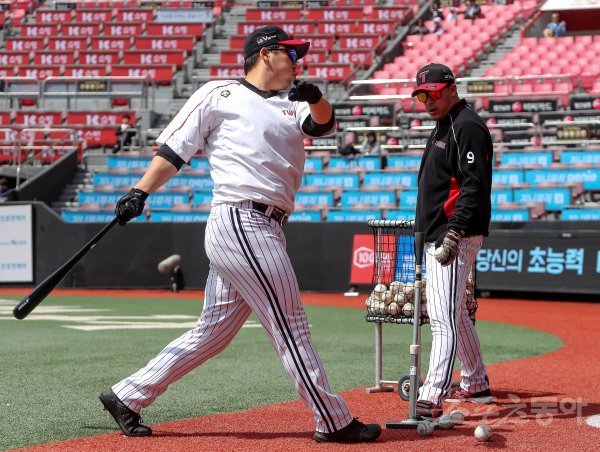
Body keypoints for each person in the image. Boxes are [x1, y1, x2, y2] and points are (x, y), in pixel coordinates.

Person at [98, 25, 381, 444]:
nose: (297, 61)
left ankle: (127, 394)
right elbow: (175, 150)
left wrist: (316, 97)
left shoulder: (292, 102)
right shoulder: (220, 94)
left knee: (213, 332)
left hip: (265, 226)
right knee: (291, 323)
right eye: (290, 53)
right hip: (241, 219)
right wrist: (140, 192)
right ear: (266, 54)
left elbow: (324, 126)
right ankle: (333, 419)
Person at [410, 63, 493, 418]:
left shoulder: (466, 125)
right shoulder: (445, 124)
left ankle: (432, 395)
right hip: (440, 232)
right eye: (422, 96)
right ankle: (476, 382)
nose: (428, 101)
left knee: (442, 316)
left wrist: (454, 231)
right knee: (454, 313)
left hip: (454, 235)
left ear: (452, 89)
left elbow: (474, 185)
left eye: (434, 93)